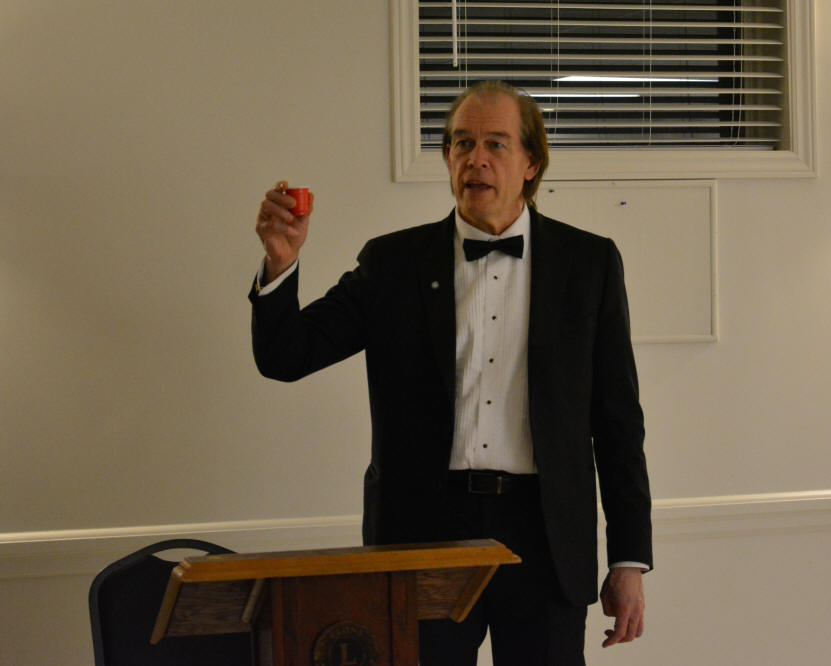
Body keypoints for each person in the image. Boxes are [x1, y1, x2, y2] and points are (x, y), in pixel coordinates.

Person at [250, 80, 651, 665]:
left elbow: (617, 423)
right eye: (462, 143)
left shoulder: (589, 263)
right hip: (423, 529)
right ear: (447, 158)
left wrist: (628, 559)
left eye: (495, 144)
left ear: (531, 163)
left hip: (544, 534)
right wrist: (281, 263)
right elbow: (286, 357)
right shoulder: (392, 262)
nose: (475, 159)